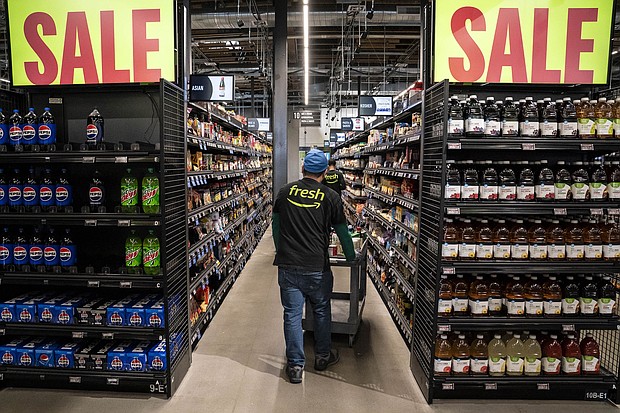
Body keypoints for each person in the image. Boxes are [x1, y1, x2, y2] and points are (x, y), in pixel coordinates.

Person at [272, 149, 356, 384]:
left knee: (291, 314)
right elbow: (342, 232)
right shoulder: (331, 197)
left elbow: (276, 226)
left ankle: (296, 366)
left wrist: (282, 250)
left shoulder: (285, 192)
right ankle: (322, 356)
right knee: (321, 310)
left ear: (303, 169)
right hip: (317, 267)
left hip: (288, 265)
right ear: (325, 171)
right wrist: (350, 257)